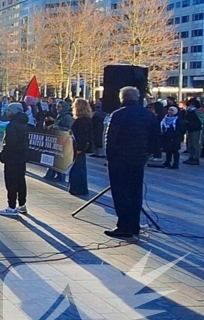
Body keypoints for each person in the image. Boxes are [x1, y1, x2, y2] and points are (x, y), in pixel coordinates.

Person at [104, 86, 159, 239]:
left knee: (121, 193)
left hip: (120, 160)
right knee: (135, 193)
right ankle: (134, 225)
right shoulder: (148, 115)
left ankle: (124, 226)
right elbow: (155, 137)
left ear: (122, 98)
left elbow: (111, 139)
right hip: (139, 160)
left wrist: (110, 158)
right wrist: (148, 154)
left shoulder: (118, 115)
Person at [0, 102, 30, 217]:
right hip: (22, 157)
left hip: (12, 158)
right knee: (21, 180)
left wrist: (3, 155)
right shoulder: (24, 124)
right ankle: (22, 204)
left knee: (11, 182)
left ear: (14, 112)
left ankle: (11, 206)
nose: (7, 112)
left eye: (9, 110)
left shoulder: (12, 125)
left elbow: (9, 143)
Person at [68, 98, 93, 196]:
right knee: (80, 167)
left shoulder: (81, 121)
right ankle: (79, 188)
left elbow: (83, 135)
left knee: (78, 168)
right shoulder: (85, 119)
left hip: (78, 147)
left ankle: (78, 188)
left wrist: (80, 148)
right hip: (79, 146)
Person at [44, 101, 73, 184]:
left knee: (59, 159)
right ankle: (51, 175)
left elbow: (69, 129)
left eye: (59, 107)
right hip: (57, 140)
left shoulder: (67, 117)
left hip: (63, 141)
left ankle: (60, 177)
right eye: (57, 106)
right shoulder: (60, 115)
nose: (57, 108)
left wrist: (56, 127)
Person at [183, 99, 204, 165]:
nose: (190, 105)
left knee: (196, 144)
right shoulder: (188, 111)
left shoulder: (198, 111)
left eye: (192, 104)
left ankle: (196, 158)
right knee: (190, 144)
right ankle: (191, 156)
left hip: (196, 129)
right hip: (190, 128)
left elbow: (203, 120)